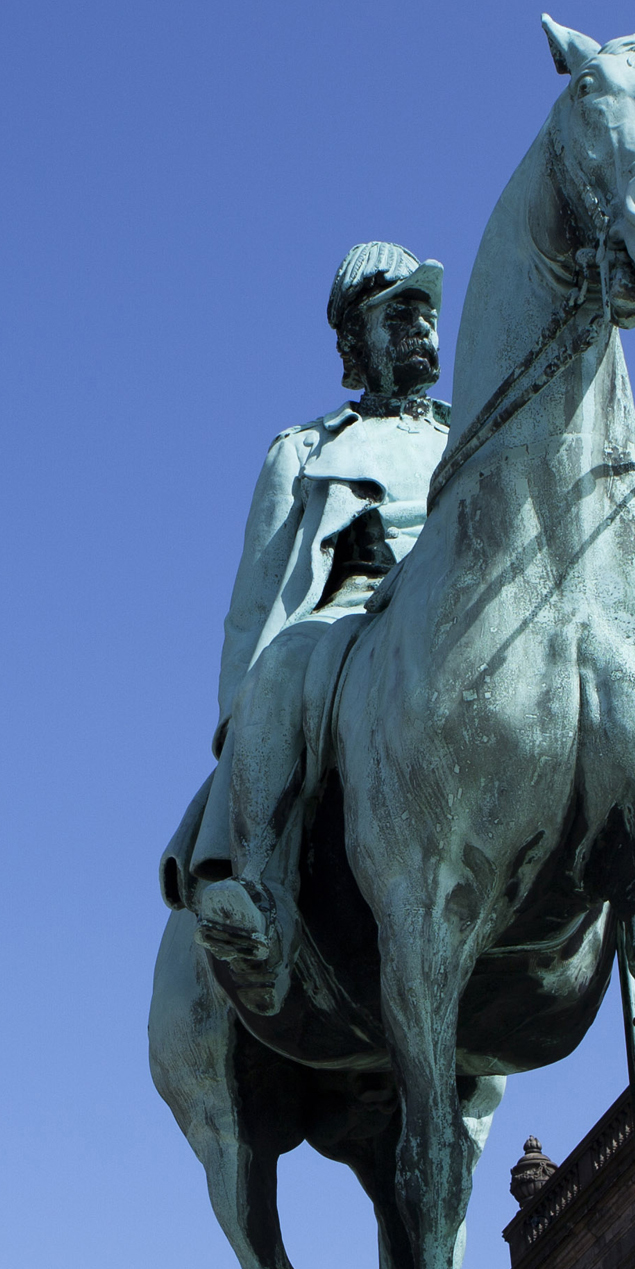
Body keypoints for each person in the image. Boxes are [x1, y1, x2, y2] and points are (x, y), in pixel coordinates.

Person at [165, 241, 449, 986]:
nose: (422, 327)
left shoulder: (474, 431)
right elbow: (254, 601)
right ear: (356, 340)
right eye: (400, 313)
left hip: (464, 601)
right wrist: (242, 716)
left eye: (427, 312)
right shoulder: (306, 450)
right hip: (351, 621)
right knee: (280, 663)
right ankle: (259, 888)